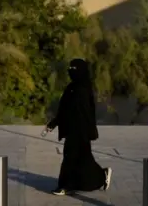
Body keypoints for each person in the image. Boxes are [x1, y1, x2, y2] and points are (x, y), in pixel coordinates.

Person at [43, 58, 112, 196]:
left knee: (71, 158)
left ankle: (65, 186)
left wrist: (89, 131)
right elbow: (64, 109)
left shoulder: (84, 88)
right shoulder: (72, 87)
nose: (70, 71)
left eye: (74, 69)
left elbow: (87, 112)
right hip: (72, 130)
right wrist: (53, 124)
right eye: (70, 69)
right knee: (83, 161)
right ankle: (102, 175)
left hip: (81, 131)